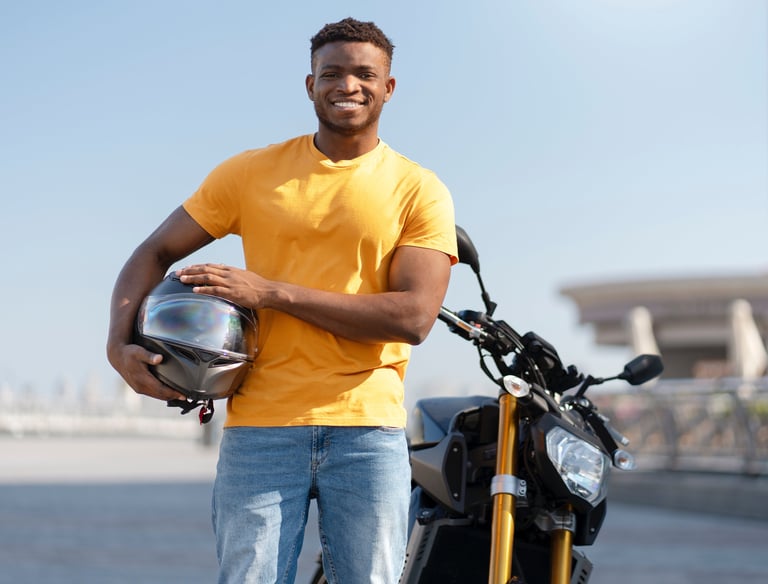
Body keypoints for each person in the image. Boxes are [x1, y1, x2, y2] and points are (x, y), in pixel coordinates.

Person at [107, 17, 457, 584]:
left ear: (388, 87)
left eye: (365, 74)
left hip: (367, 429)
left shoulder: (418, 188)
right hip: (260, 428)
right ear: (310, 84)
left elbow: (413, 317)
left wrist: (272, 292)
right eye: (333, 73)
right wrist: (117, 345)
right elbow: (153, 251)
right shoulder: (250, 173)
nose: (349, 85)